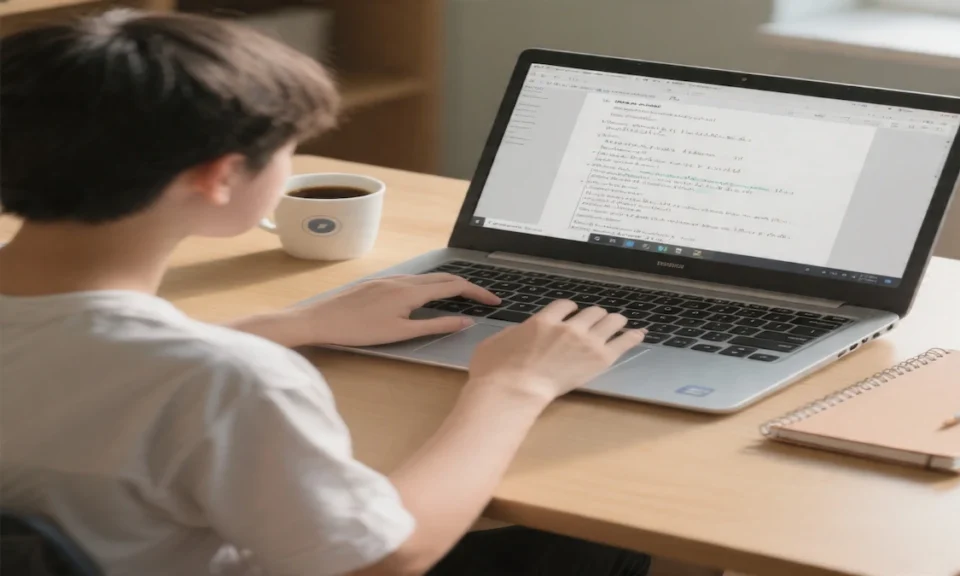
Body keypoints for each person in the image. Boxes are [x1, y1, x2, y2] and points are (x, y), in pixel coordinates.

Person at [0, 9, 651, 576]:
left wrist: (294, 323)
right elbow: (388, 559)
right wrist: (513, 387)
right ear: (219, 177)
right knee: (590, 537)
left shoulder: (182, 371)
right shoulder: (225, 383)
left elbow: (78, 369)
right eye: (290, 148)